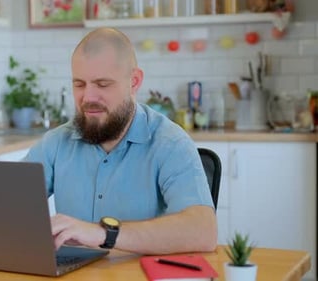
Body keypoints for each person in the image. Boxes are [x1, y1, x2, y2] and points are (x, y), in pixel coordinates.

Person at [23, 27, 217, 255]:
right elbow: (5, 204)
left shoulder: (170, 143)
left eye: (102, 84)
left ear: (134, 82)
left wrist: (104, 234)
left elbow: (203, 232)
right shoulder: (56, 142)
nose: (88, 97)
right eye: (79, 84)